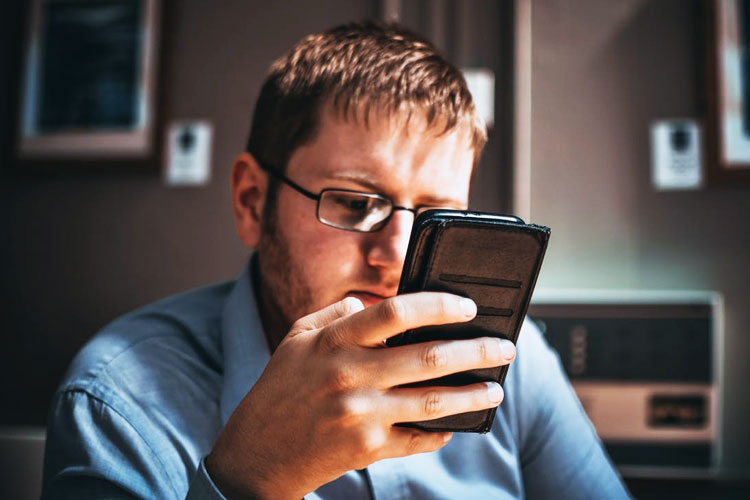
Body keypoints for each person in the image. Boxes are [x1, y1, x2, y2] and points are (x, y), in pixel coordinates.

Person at [41, 21, 631, 500]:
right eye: (353, 203)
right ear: (252, 201)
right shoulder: (116, 402)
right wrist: (249, 482)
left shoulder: (509, 363)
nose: (396, 257)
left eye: (436, 218)